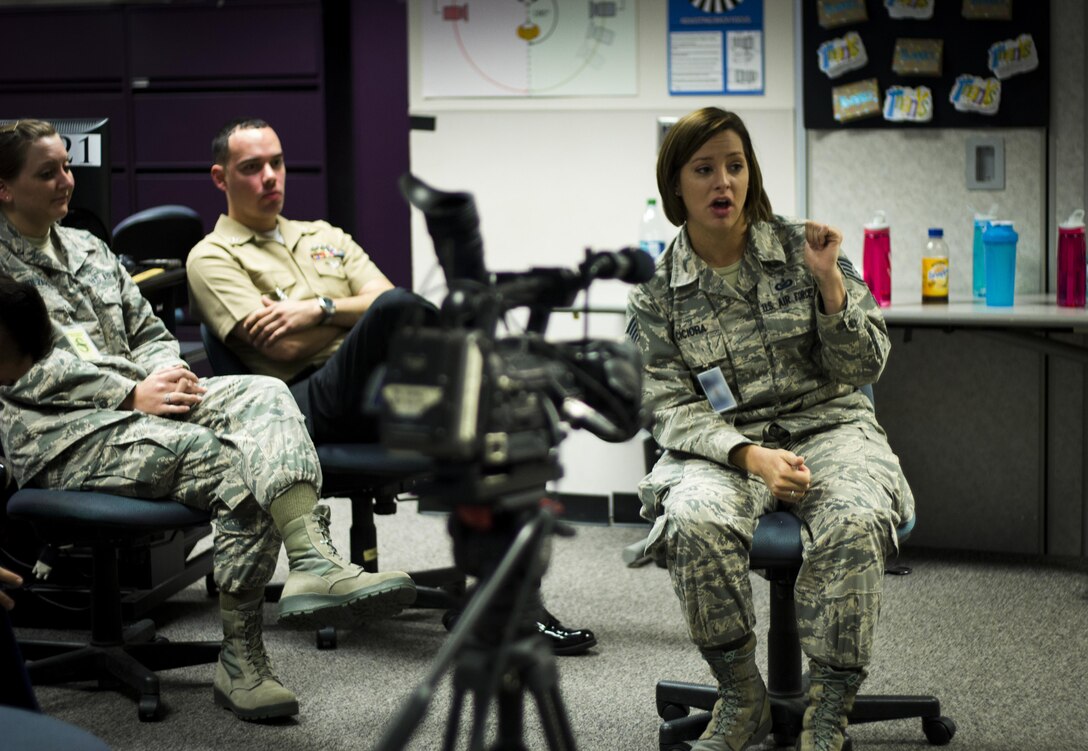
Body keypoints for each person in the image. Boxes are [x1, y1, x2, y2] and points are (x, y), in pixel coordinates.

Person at [0, 120, 417, 722]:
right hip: (59, 433)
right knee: (229, 461)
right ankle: (242, 658)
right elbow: (22, 369)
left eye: (68, 166)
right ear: (4, 188)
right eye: (47, 172)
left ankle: (310, 561)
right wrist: (129, 390)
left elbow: (148, 332)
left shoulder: (87, 248)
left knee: (267, 393)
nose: (66, 181)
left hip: (146, 399)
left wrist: (167, 377)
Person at [186, 117, 596, 656]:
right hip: (299, 407)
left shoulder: (324, 236)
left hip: (376, 388)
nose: (270, 177)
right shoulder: (211, 257)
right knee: (401, 312)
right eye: (252, 167)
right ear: (221, 178)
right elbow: (282, 351)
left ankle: (510, 605)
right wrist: (356, 319)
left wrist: (317, 310)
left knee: (500, 418)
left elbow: (382, 293)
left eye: (277, 163)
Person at [626, 107, 914, 751]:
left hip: (829, 428)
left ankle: (830, 705)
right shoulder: (655, 293)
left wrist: (829, 286)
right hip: (724, 445)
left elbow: (868, 365)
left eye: (736, 165)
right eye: (704, 170)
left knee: (857, 514)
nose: (723, 182)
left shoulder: (802, 247)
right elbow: (667, 405)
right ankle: (740, 694)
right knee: (694, 518)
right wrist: (748, 455)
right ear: (677, 185)